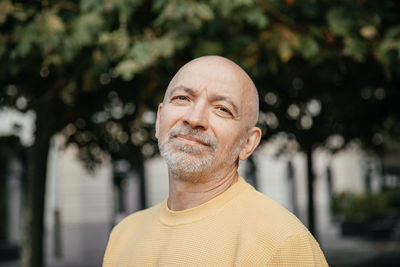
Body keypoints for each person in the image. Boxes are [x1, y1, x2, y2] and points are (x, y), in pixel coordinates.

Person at [103, 56, 328, 267]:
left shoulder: (282, 243)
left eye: (222, 109)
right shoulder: (124, 235)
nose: (194, 119)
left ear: (248, 143)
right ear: (159, 120)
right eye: (182, 98)